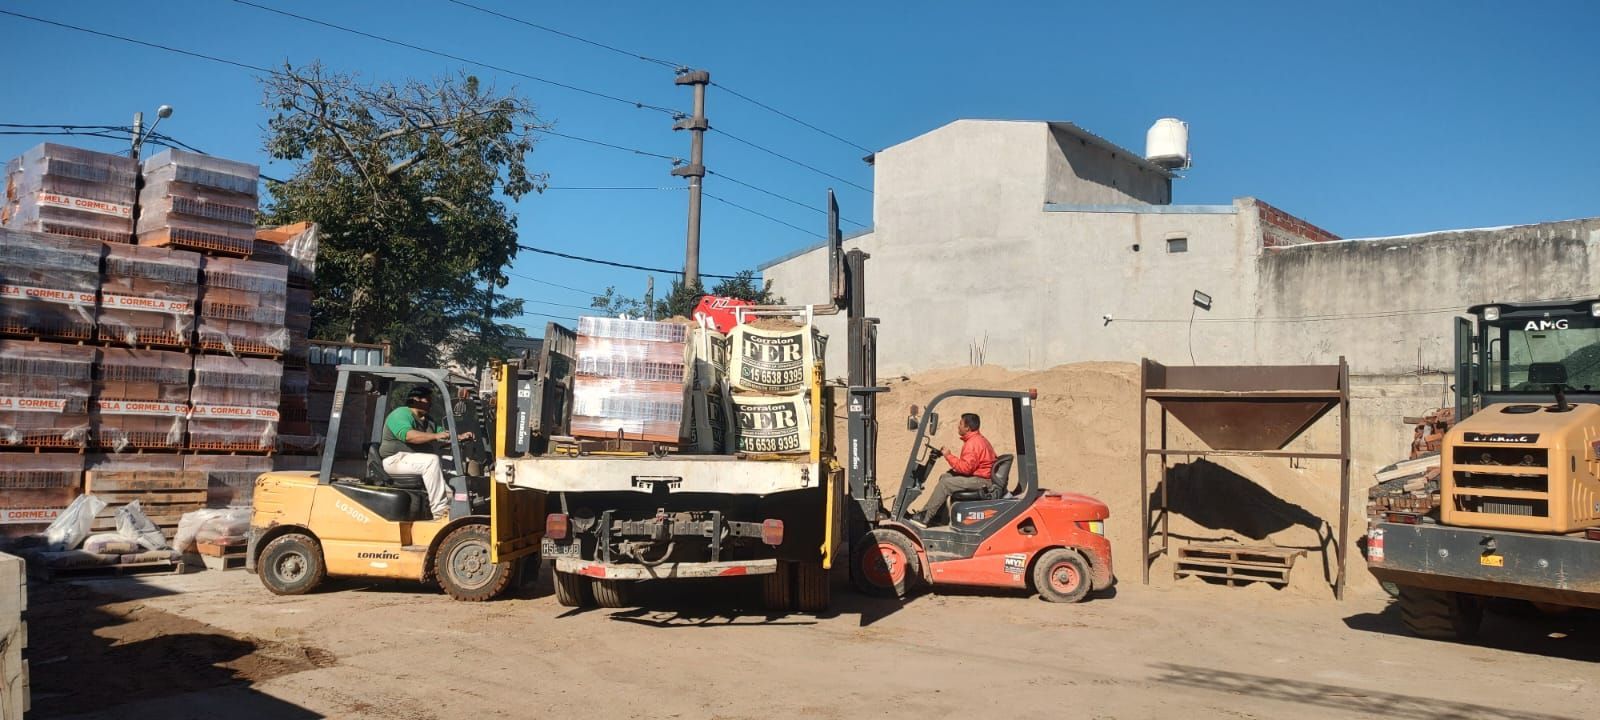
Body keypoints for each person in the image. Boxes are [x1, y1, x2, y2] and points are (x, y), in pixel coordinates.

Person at [379, 386, 473, 519]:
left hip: (413, 461)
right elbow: (408, 436)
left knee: (452, 464)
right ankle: (440, 512)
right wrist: (435, 436)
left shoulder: (427, 420)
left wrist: (461, 437)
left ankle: (457, 503)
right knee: (431, 461)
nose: (431, 403)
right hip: (395, 460)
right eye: (428, 399)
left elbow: (443, 434)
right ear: (416, 400)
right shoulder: (401, 414)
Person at [911, 412, 998, 525]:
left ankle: (925, 517)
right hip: (980, 476)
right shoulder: (977, 439)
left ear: (967, 428)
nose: (958, 426)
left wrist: (948, 455)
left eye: (961, 424)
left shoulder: (973, 444)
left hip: (982, 481)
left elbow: (966, 468)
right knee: (946, 476)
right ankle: (937, 516)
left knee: (946, 484)